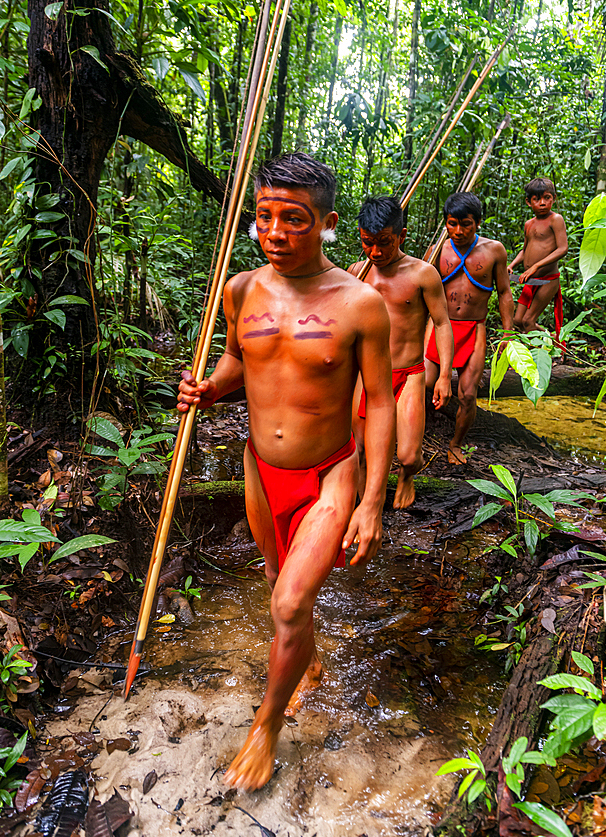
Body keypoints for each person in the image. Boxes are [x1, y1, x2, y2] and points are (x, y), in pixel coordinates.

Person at [177, 153, 396, 793]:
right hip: (258, 466)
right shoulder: (240, 289)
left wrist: (372, 501)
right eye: (265, 217)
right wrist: (207, 388)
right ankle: (309, 657)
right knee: (280, 587)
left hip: (330, 473)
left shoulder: (361, 305)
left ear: (327, 224)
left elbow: (380, 403)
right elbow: (235, 363)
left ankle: (267, 727)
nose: (275, 232)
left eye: (294, 220)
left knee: (290, 600)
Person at [349, 196, 454, 509]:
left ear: (402, 235)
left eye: (385, 242)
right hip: (365, 374)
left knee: (408, 455)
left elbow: (442, 323)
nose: (376, 252)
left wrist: (445, 375)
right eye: (368, 243)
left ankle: (407, 477)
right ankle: (366, 503)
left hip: (408, 373)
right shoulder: (356, 272)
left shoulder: (423, 274)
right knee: (360, 448)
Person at [425, 191, 513, 465]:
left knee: (468, 394)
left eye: (466, 224)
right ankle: (415, 436)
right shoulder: (438, 249)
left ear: (478, 223)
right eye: (452, 223)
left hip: (474, 329)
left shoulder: (494, 250)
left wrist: (509, 334)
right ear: (446, 223)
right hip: (439, 325)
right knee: (424, 382)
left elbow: (504, 293)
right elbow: (420, 290)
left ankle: (455, 444)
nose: (459, 231)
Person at [508, 177, 568, 338]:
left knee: (528, 321)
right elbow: (524, 250)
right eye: (537, 199)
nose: (542, 203)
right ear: (529, 202)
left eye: (547, 198)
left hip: (548, 280)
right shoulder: (529, 224)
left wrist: (536, 266)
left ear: (553, 199)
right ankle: (549, 338)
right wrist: (512, 265)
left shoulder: (556, 219)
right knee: (518, 320)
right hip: (531, 281)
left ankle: (543, 354)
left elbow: (563, 249)